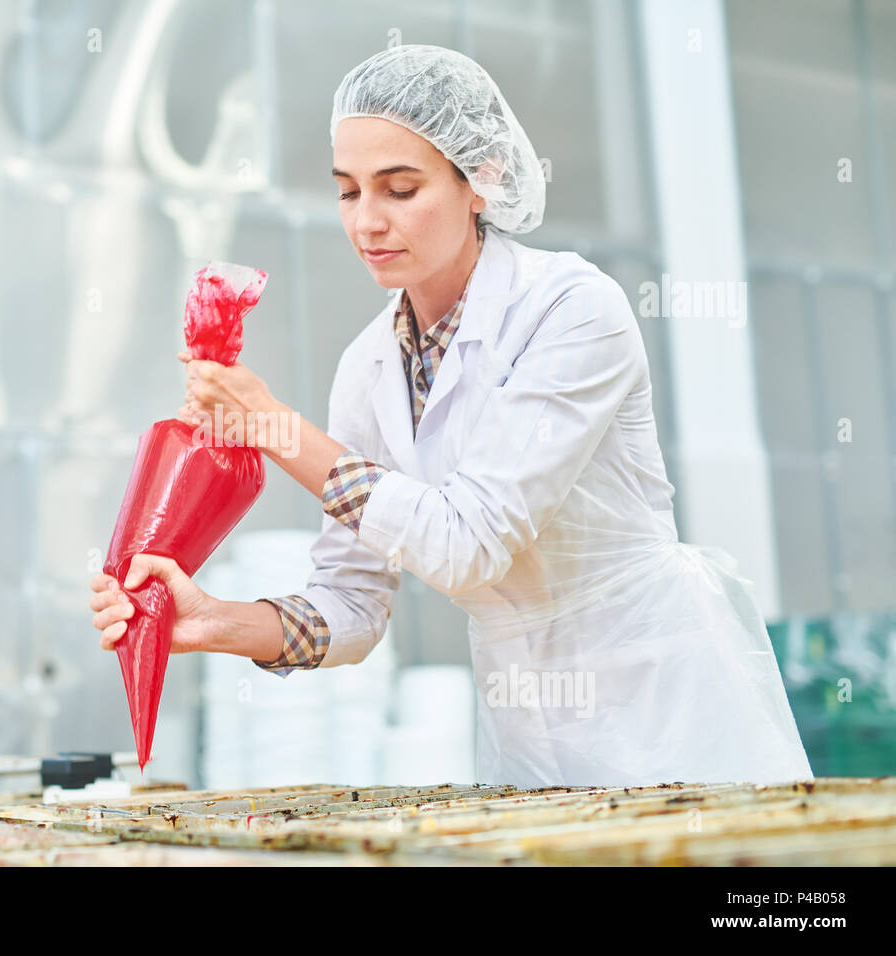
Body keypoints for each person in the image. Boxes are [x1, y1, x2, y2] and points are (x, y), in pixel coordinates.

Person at [89, 44, 813, 788]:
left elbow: (468, 541)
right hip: (523, 724)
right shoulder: (368, 367)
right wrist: (215, 622)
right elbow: (353, 603)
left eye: (400, 188)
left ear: (483, 180)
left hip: (665, 702)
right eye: (347, 191)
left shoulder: (570, 310)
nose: (367, 222)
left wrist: (273, 426)